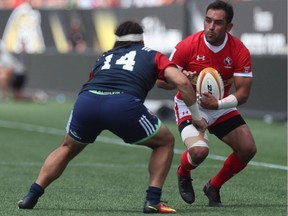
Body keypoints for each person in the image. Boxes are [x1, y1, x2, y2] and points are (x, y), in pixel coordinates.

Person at [17, 20, 207, 213]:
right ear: (141, 40)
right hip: (122, 105)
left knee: (67, 148)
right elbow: (182, 82)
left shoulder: (104, 56)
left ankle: (31, 195)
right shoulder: (152, 54)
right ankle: (152, 201)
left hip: (87, 101)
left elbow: (98, 79)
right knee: (165, 142)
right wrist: (197, 117)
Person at [168, 0, 257, 207]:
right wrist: (180, 77)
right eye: (207, 21)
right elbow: (161, 81)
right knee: (199, 152)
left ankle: (213, 186)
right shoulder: (187, 46)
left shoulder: (239, 50)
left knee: (247, 149)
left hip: (220, 105)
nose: (210, 27)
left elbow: (243, 93)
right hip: (189, 105)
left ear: (229, 27)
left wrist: (218, 105)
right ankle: (183, 172)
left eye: (217, 23)